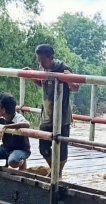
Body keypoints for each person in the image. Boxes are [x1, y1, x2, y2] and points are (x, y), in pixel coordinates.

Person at [27, 44, 79, 177]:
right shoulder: (42, 67)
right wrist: (31, 75)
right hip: (46, 115)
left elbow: (75, 88)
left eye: (43, 60)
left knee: (61, 148)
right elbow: (41, 83)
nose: (41, 63)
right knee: (43, 147)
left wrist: (69, 79)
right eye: (38, 61)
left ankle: (57, 174)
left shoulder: (63, 68)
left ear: (50, 58)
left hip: (62, 116)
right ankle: (55, 172)